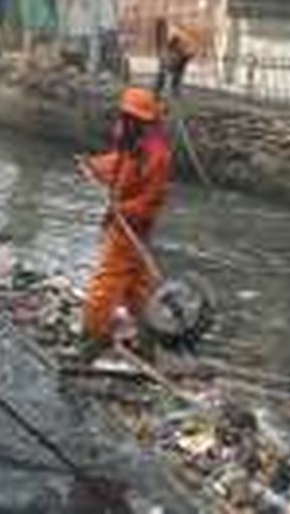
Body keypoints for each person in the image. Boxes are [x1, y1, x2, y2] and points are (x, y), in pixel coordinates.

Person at [77, 87, 172, 360]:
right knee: (137, 286)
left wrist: (123, 210)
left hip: (133, 225)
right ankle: (147, 339)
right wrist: (93, 165)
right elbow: (118, 164)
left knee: (106, 282)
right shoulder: (134, 141)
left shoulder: (156, 154)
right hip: (127, 222)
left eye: (128, 116)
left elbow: (153, 198)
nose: (123, 120)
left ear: (140, 119)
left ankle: (92, 338)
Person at [155, 19, 199, 98]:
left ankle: (172, 88)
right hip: (174, 54)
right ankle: (164, 88)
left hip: (178, 54)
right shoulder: (178, 36)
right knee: (167, 70)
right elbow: (171, 44)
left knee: (175, 71)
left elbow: (186, 51)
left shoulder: (185, 38)